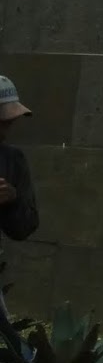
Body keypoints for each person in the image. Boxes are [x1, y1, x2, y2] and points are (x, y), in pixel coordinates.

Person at [0, 76, 38, 331]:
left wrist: (12, 201)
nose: (5, 129)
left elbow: (25, 227)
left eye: (8, 122)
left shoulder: (12, 160)